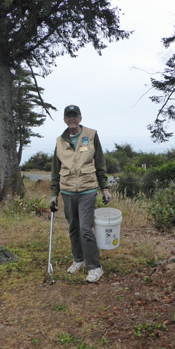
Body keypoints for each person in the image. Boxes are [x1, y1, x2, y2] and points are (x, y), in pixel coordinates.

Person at [50, 104, 111, 283]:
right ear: (64, 119)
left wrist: (105, 188)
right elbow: (55, 170)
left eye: (74, 116)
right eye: (68, 116)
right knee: (74, 228)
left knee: (85, 228)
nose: (72, 119)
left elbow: (100, 162)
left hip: (87, 189)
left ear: (80, 118)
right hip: (67, 191)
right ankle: (78, 260)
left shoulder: (91, 135)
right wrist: (54, 194)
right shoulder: (59, 141)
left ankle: (95, 267)